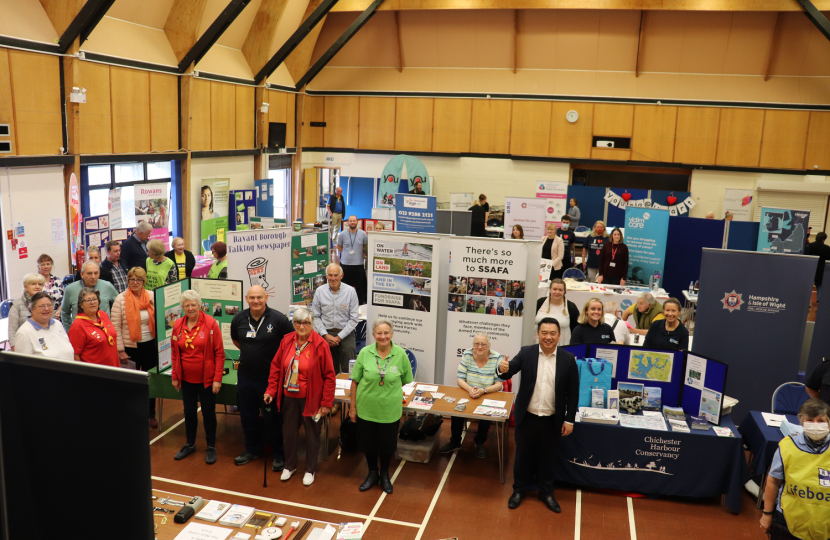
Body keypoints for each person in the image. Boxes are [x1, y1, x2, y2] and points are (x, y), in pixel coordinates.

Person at [497, 317, 579, 512]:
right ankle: (519, 491)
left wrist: (569, 419)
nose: (548, 337)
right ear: (538, 335)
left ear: (559, 336)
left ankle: (546, 493)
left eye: (552, 333)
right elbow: (507, 373)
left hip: (552, 419)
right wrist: (501, 369)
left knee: (548, 459)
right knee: (522, 457)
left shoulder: (568, 360)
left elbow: (573, 392)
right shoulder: (526, 353)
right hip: (527, 417)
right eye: (544, 333)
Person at [264, 307, 335, 486]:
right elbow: (276, 368)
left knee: (312, 434)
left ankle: (310, 469)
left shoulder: (320, 344)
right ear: (293, 323)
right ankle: (290, 466)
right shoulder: (286, 341)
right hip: (289, 396)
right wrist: (271, 390)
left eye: (306, 323)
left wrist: (326, 403)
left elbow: (329, 375)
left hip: (311, 398)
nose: (301, 326)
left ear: (312, 324)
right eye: (297, 322)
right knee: (288, 433)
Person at [231, 285, 293, 471]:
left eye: (259, 297)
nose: (256, 301)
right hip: (246, 377)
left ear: (266, 297)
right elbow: (236, 340)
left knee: (272, 417)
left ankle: (278, 453)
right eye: (252, 298)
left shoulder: (279, 319)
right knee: (247, 416)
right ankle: (252, 449)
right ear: (246, 298)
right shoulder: (239, 319)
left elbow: (289, 342)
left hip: (270, 379)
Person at [350, 319, 414, 494]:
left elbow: (406, 380)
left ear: (392, 334)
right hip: (366, 408)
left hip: (389, 410)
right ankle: (372, 473)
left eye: (386, 333)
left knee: (387, 445)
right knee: (368, 444)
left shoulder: (401, 355)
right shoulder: (364, 353)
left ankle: (385, 474)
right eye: (379, 333)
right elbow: (355, 381)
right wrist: (353, 408)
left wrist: (387, 390)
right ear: (373, 335)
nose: (383, 336)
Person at [760, 398, 830, 539]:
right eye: (810, 420)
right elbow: (773, 481)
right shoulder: (787, 446)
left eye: (821, 421)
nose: (815, 425)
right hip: (788, 520)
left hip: (824, 523)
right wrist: (767, 514)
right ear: (802, 422)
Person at [170, 289, 225, 464]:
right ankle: (190, 443)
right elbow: (174, 352)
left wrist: (217, 379)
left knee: (208, 413)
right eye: (187, 305)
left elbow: (219, 354)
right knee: (189, 412)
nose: (191, 308)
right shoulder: (178, 324)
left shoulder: (210, 324)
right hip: (186, 379)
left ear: (200, 305)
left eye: (193, 304)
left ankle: (210, 446)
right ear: (182, 307)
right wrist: (175, 376)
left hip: (207, 380)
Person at [440, 333, 504, 457]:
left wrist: (483, 391)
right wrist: (470, 389)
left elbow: (498, 384)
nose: (480, 347)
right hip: (468, 392)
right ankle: (455, 442)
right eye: (477, 344)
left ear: (489, 346)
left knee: (486, 416)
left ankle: (480, 442)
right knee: (457, 411)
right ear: (473, 345)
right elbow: (460, 379)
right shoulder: (467, 354)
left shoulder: (496, 357)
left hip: (487, 393)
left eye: (483, 344)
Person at [111, 267, 158, 428]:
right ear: (128, 281)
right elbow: (115, 327)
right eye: (132, 279)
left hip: (151, 345)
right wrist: (121, 350)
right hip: (131, 348)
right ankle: (132, 414)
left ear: (144, 281)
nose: (135, 282)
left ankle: (150, 414)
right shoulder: (120, 299)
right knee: (132, 383)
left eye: (138, 280)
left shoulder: (152, 296)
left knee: (151, 381)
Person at [311, 264, 359, 375]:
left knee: (349, 370)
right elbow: (316, 316)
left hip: (345, 333)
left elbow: (354, 318)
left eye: (336, 275)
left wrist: (339, 337)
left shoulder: (350, 291)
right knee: (328, 370)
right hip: (325, 333)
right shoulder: (319, 291)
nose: (333, 278)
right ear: (326, 276)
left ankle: (349, 390)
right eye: (330, 275)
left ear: (342, 275)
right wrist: (324, 334)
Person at [67, 287, 120, 367]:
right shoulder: (77, 325)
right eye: (88, 300)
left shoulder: (103, 315)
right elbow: (75, 355)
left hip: (114, 367)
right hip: (95, 373)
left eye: (94, 299)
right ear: (81, 304)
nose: (92, 302)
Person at [14, 292, 74, 360]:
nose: (46, 309)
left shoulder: (57, 324)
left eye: (49, 305)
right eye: (41, 306)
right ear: (32, 308)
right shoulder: (24, 332)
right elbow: (22, 365)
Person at [62, 261, 118, 331]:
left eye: (96, 273)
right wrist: (70, 331)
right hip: (81, 332)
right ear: (82, 274)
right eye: (89, 273)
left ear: (99, 273)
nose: (93, 277)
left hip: (105, 332)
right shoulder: (70, 289)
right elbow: (65, 312)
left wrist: (113, 326)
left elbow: (119, 306)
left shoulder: (107, 286)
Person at [535, 279, 579, 346]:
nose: (557, 292)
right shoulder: (540, 302)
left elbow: (576, 328)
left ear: (564, 291)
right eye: (554, 289)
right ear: (550, 289)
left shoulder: (571, 307)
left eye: (560, 290)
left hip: (562, 345)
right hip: (538, 343)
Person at [8, 273, 45, 349]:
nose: (37, 287)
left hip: (44, 345)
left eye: (40, 284)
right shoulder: (17, 305)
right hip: (24, 345)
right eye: (34, 284)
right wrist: (15, 350)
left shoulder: (47, 304)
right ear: (26, 287)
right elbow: (12, 332)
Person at [337, 215, 369, 304]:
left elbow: (365, 246)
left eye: (354, 221)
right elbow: (339, 246)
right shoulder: (342, 234)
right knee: (344, 286)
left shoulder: (363, 234)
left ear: (357, 222)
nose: (352, 222)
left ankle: (360, 303)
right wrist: (345, 254)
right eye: (350, 221)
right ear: (347, 223)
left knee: (360, 286)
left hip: (358, 264)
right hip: (345, 264)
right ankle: (345, 302)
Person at [37, 253, 64, 318]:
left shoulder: (58, 281)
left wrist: (59, 311)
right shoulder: (35, 282)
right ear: (38, 267)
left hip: (58, 317)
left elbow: (63, 299)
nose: (46, 267)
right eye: (43, 265)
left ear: (51, 265)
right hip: (42, 317)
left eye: (48, 264)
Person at [807, 232, 830, 301]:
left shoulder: (809, 246)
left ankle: (806, 301)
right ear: (823, 239)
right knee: (819, 284)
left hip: (810, 268)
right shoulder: (827, 248)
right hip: (821, 269)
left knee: (808, 285)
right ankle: (819, 298)